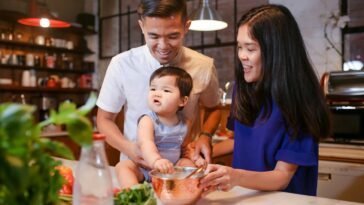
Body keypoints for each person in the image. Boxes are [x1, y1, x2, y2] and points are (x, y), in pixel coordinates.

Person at [199, 4, 331, 196]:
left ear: (276, 51)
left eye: (250, 49)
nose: (242, 56)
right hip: (245, 198)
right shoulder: (242, 90)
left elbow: (282, 176)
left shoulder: (302, 101)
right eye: (239, 47)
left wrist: (235, 176)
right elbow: (243, 143)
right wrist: (204, 152)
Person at [96, 0, 221, 171]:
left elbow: (214, 108)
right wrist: (129, 149)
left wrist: (205, 136)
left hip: (181, 170)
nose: (163, 46)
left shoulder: (203, 66)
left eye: (173, 36)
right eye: (153, 36)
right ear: (142, 27)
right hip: (136, 167)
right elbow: (104, 120)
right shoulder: (121, 64)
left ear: (186, 27)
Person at [116, 66, 206, 188]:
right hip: (146, 167)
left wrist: (195, 158)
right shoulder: (148, 120)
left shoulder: (185, 123)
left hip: (172, 169)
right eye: (153, 89)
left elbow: (185, 148)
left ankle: (184, 189)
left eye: (166, 90)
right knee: (123, 166)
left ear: (183, 101)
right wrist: (156, 161)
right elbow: (146, 143)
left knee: (189, 165)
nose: (157, 93)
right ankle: (133, 191)